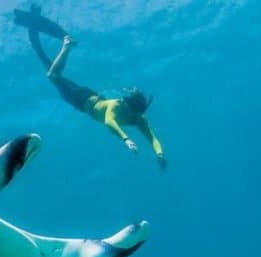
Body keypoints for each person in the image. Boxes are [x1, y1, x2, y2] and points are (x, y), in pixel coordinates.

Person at [14, 5, 167, 170]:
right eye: (124, 102)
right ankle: (66, 46)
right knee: (52, 75)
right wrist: (126, 139)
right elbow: (109, 121)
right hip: (82, 99)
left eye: (126, 104)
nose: (122, 103)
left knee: (48, 65)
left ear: (135, 110)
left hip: (85, 98)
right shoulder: (116, 105)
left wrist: (160, 154)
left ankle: (35, 23)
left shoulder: (139, 119)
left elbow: (152, 138)